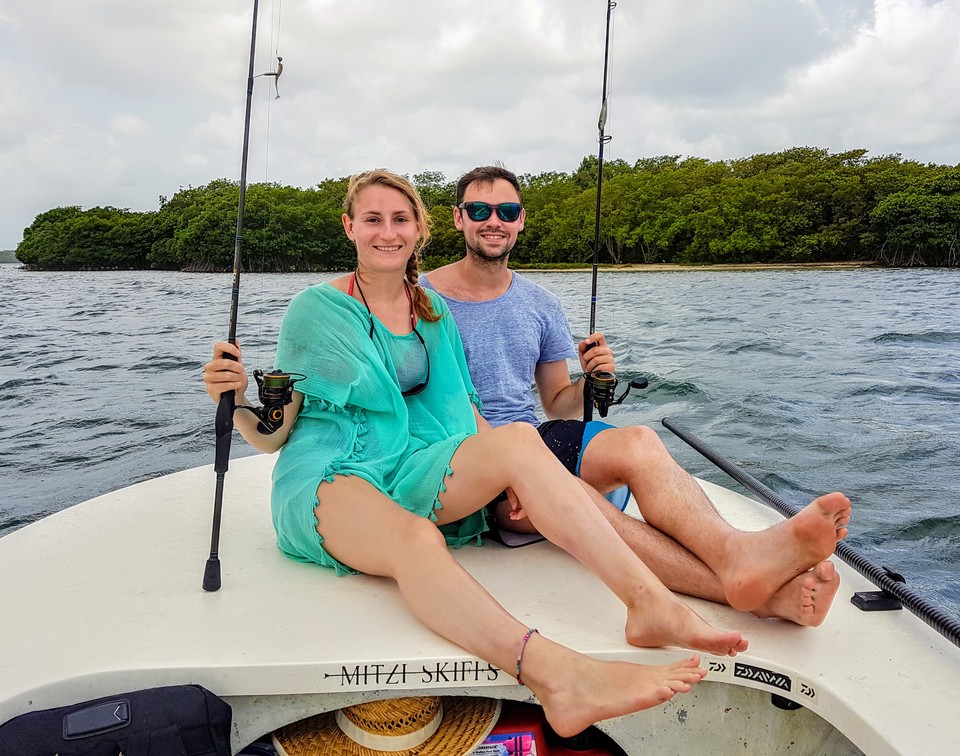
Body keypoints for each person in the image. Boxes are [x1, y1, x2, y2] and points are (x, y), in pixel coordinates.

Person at [203, 169, 753, 738]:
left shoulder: (432, 312)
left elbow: (468, 413)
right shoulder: (315, 309)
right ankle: (555, 676)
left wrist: (518, 472)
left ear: (420, 229)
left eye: (400, 219)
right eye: (372, 219)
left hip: (412, 458)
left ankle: (648, 602)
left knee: (518, 438)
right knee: (417, 539)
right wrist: (236, 397)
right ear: (350, 227)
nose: (387, 232)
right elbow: (272, 432)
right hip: (328, 470)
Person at [422, 165, 852, 627]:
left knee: (640, 441)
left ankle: (736, 553)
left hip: (531, 438)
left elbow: (555, 404)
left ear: (521, 219)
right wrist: (507, 468)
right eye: (480, 210)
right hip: (465, 458)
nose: (494, 220)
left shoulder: (541, 303)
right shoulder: (421, 297)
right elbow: (427, 403)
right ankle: (756, 595)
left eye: (506, 210)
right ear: (458, 218)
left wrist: (592, 381)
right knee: (580, 496)